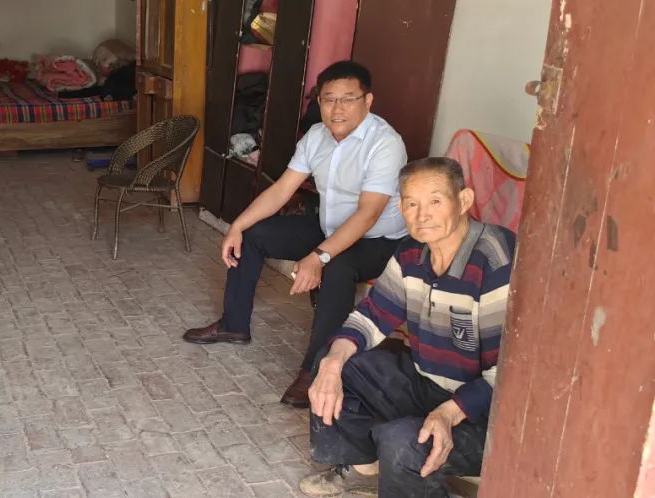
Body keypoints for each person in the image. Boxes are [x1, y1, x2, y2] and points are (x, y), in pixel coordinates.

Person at [183, 60, 408, 407]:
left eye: (348, 99)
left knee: (337, 267)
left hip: (378, 241)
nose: (337, 108)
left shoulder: (385, 143)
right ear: (319, 102)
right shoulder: (317, 136)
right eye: (328, 99)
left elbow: (368, 214)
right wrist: (237, 226)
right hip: (330, 226)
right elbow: (282, 190)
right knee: (255, 235)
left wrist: (319, 256)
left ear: (368, 101)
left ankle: (316, 370)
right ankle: (234, 324)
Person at [298, 157, 515, 497]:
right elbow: (370, 317)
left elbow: (508, 373)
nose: (422, 214)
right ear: (401, 208)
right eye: (412, 204)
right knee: (335, 361)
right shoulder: (412, 253)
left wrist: (450, 413)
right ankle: (363, 468)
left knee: (401, 442)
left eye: (435, 201)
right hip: (429, 383)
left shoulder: (494, 259)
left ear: (464, 201)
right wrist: (332, 362)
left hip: (488, 413)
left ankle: (412, 474)